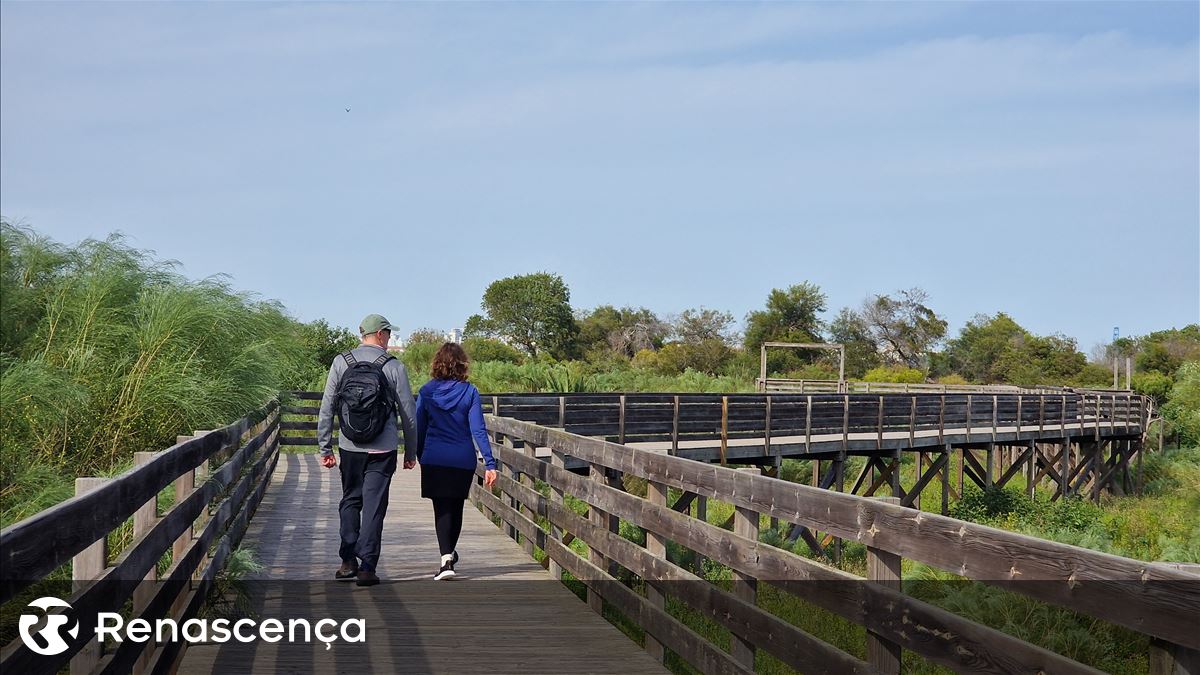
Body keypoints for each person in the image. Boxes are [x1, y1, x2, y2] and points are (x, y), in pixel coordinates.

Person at [317, 314, 418, 586]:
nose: (388, 338)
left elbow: (327, 406)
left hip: (349, 446)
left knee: (351, 499)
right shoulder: (393, 365)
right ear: (382, 334)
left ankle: (347, 561)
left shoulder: (341, 362)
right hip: (382, 449)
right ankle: (367, 568)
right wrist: (411, 451)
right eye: (387, 334)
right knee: (374, 506)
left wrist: (325, 446)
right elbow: (408, 412)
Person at [415, 342, 498, 580]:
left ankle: (446, 560)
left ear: (437, 364)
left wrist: (420, 456)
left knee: (441, 508)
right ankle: (449, 555)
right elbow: (478, 430)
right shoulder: (469, 391)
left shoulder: (426, 391)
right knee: (457, 506)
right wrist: (490, 464)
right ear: (462, 364)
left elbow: (419, 428)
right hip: (462, 458)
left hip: (435, 457)